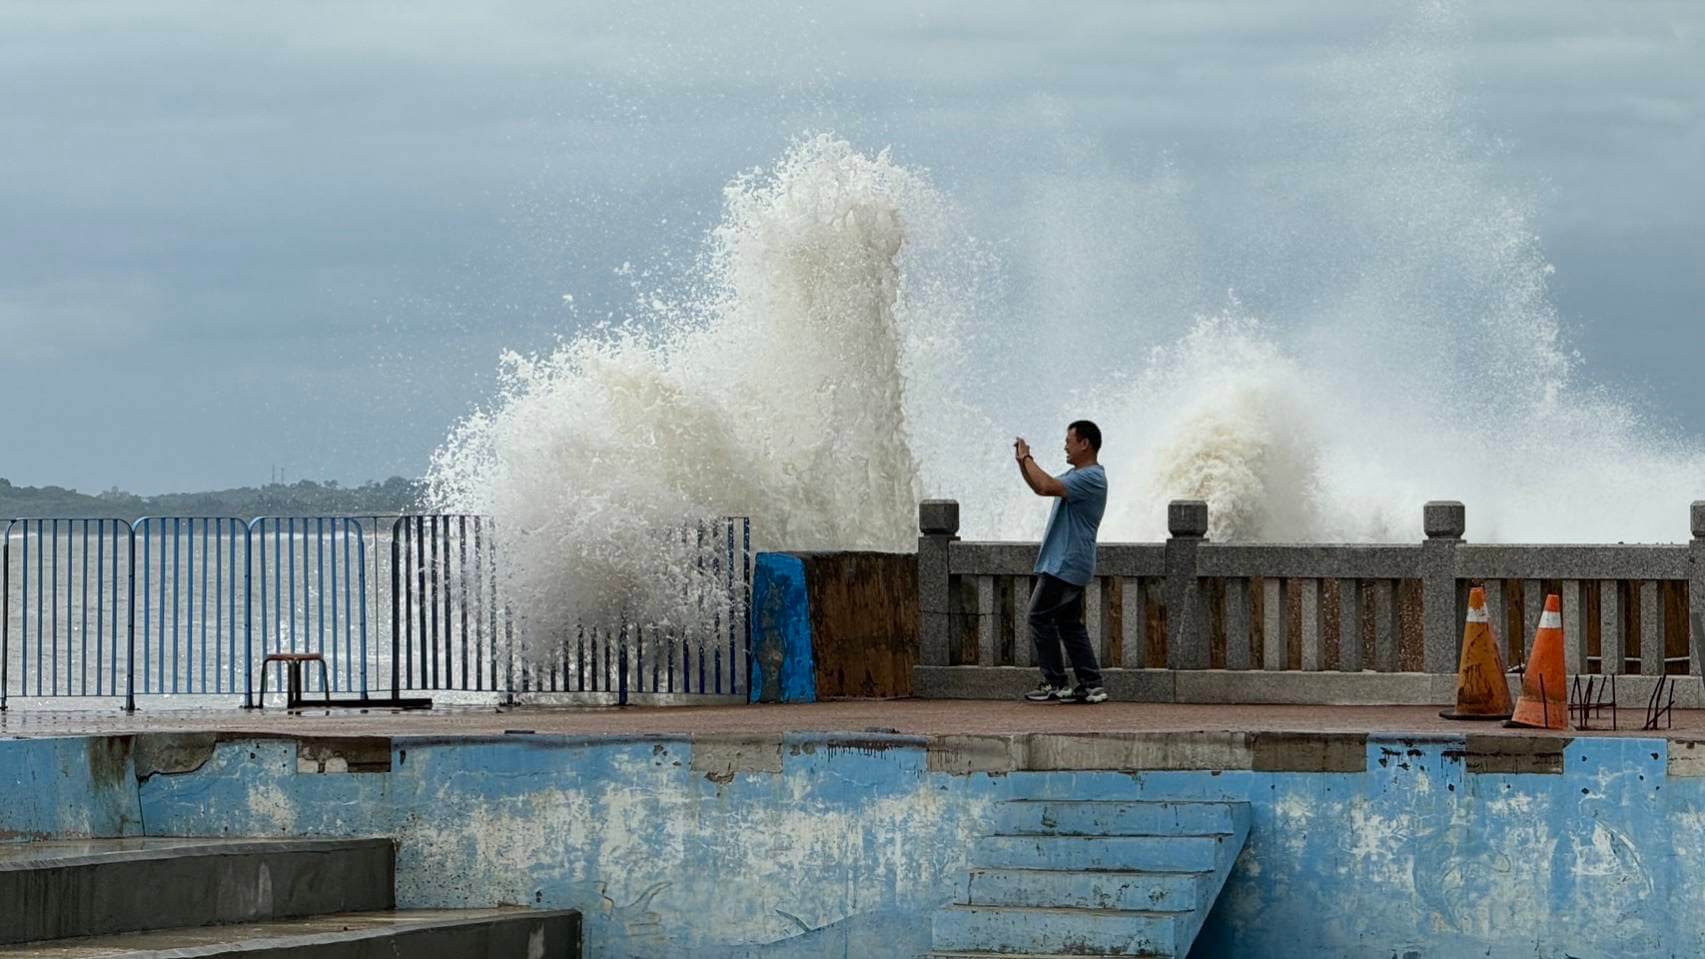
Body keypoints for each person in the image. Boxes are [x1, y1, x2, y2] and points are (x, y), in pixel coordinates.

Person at [1014, 420, 1108, 704]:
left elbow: (1044, 486)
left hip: (1065, 564)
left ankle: (1056, 682)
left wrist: (1027, 457)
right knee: (1069, 624)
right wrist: (1022, 463)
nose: (1065, 446)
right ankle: (1091, 684)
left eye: (1069, 441)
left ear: (1084, 443)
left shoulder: (1090, 477)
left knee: (1038, 616)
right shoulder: (1078, 476)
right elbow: (1039, 487)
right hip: (1069, 562)